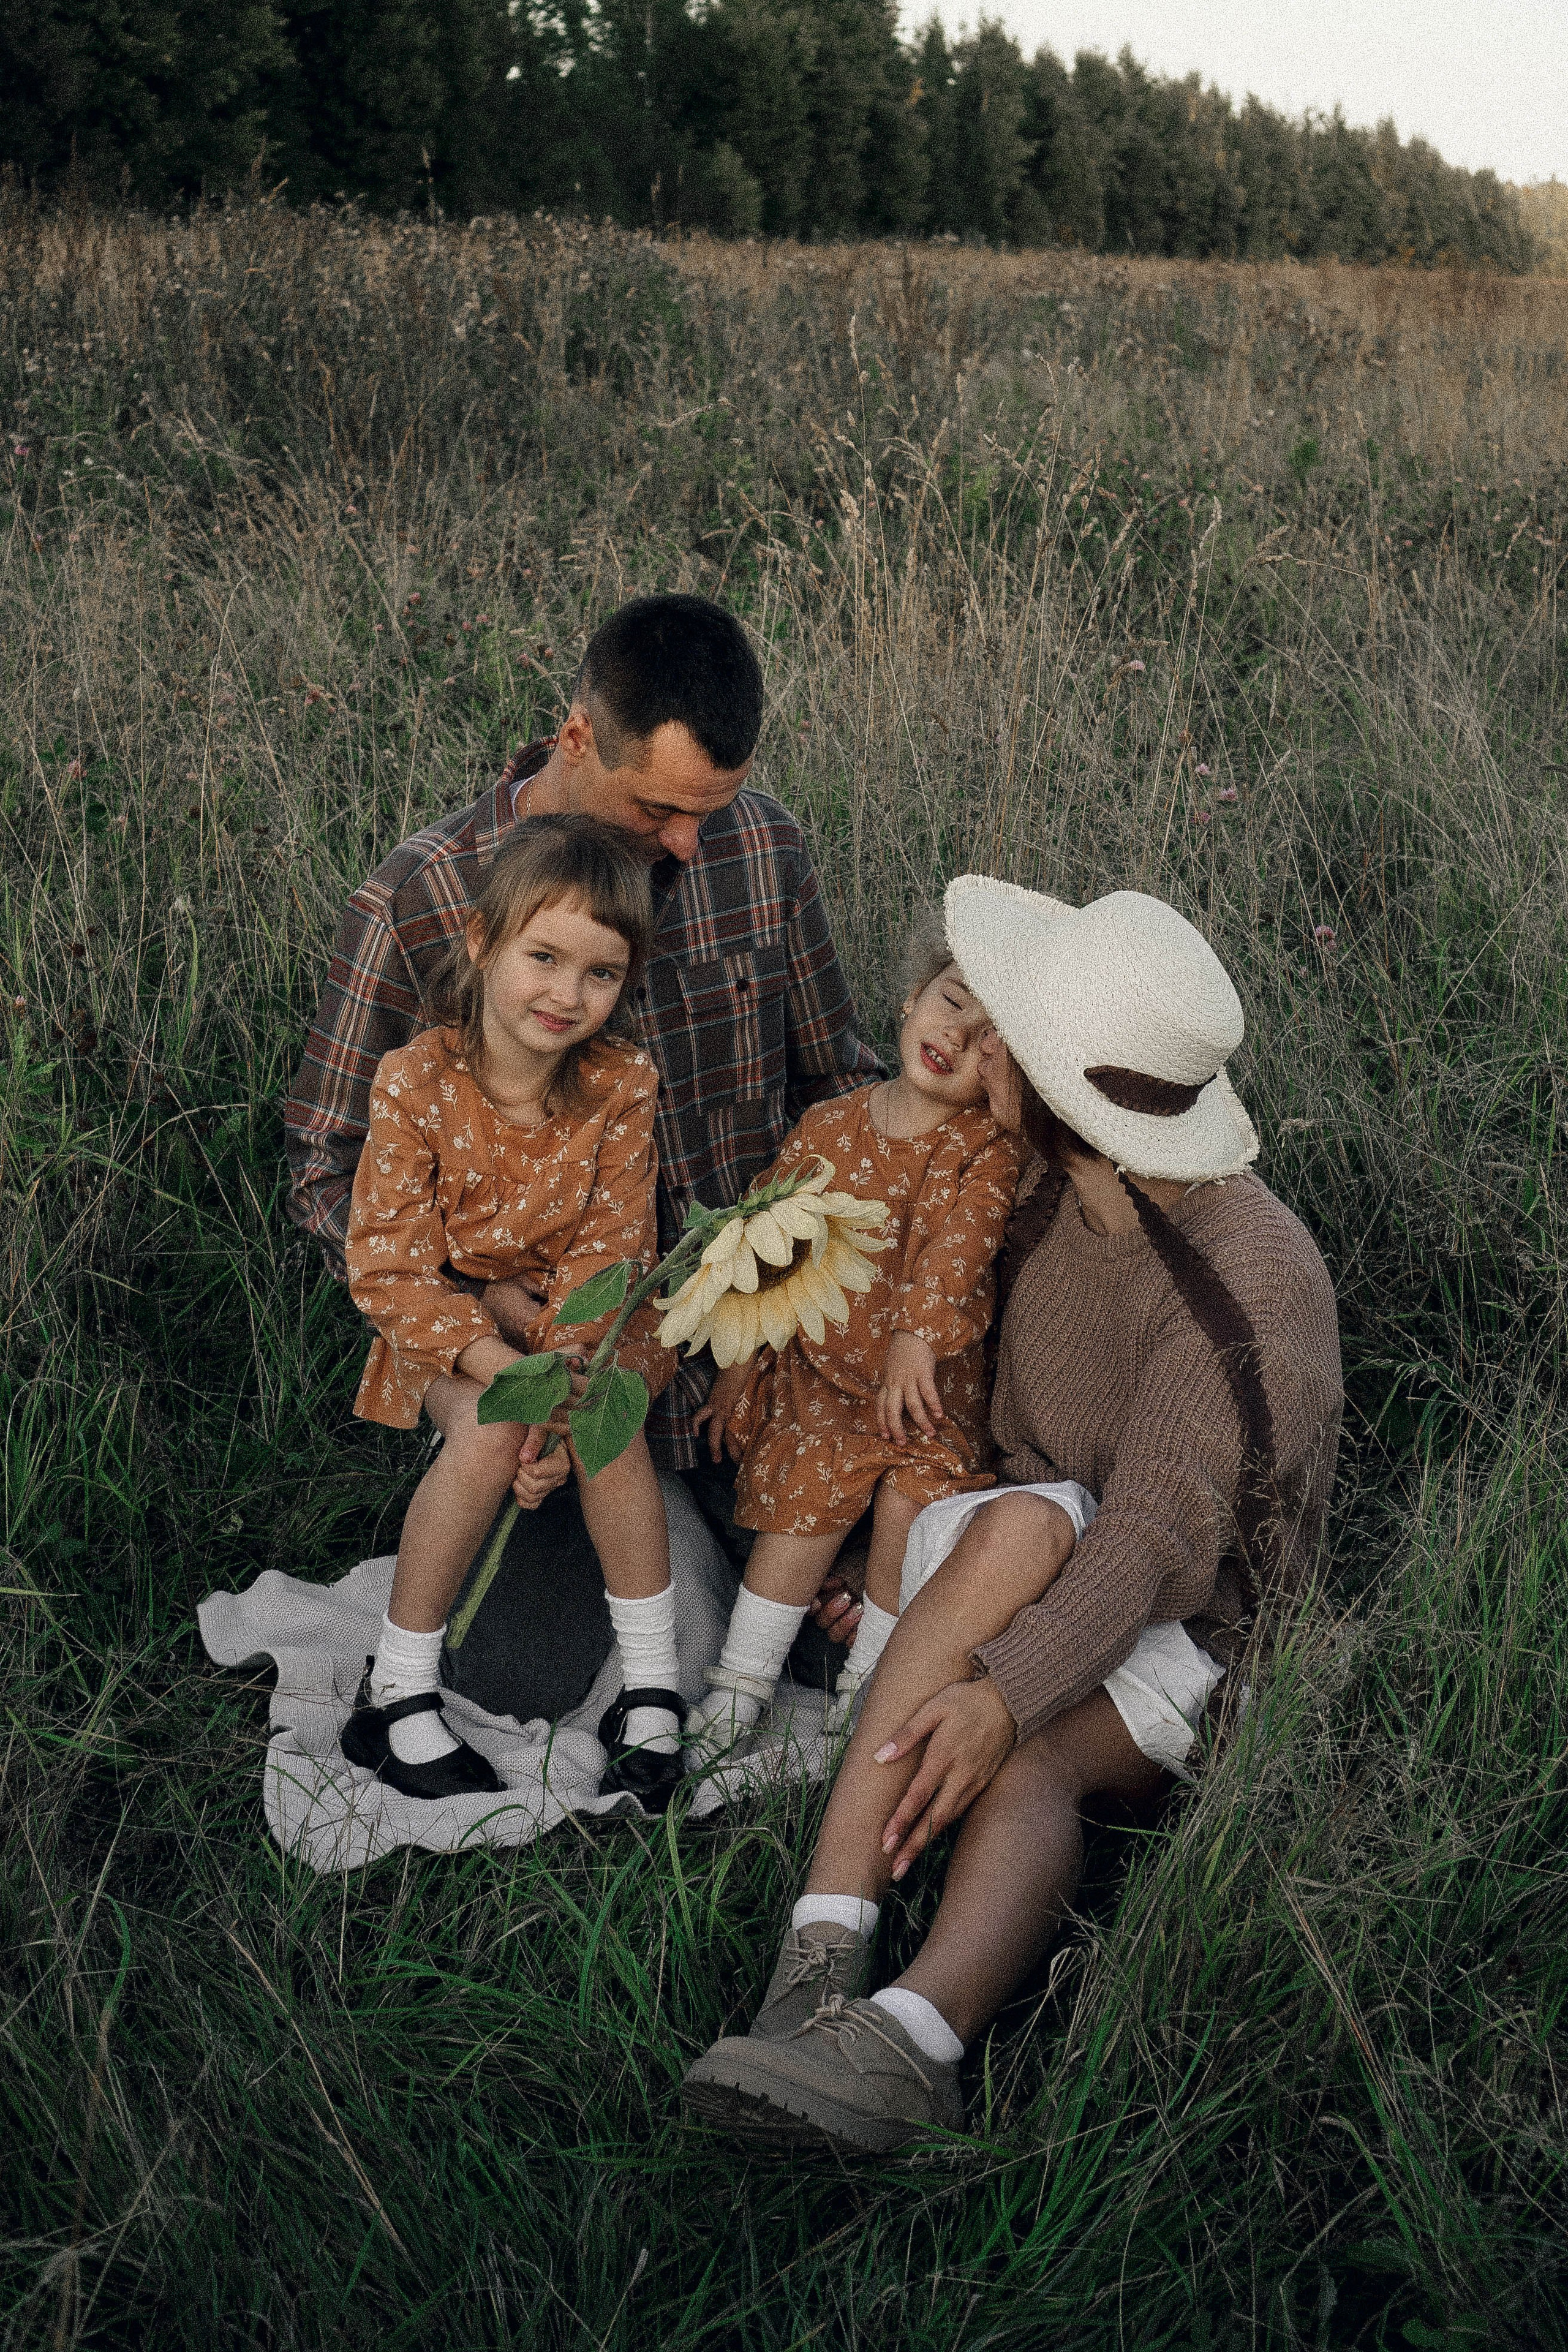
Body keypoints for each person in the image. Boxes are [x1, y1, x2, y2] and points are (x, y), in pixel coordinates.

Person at [682, 880, 1344, 2152]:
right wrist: (900, 1572)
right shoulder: (1036, 1191)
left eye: (1008, 1037)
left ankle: (910, 2044)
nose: (976, 1045)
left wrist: (1002, 1692)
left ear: (1056, 1096)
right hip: (1022, 1533)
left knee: (1032, 1753)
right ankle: (820, 1950)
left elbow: (1153, 1544)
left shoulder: (1243, 1286)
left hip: (1194, 1622)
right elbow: (967, 1406)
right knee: (1021, 1529)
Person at [285, 594, 878, 1720]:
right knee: (519, 1680)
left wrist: (810, 1284)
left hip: (745, 1340)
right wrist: (478, 1317)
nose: (689, 843)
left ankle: (786, 1571)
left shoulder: (765, 847)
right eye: (659, 808)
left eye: (712, 810)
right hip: (536, 1378)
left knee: (867, 1585)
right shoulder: (425, 896)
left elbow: (836, 1085)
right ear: (575, 739)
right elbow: (327, 1169)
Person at [337, 814, 685, 1812]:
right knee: (492, 1436)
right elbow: (389, 1268)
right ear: (484, 942)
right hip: (453, 1329)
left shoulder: (621, 1083)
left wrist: (563, 1392)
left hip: (587, 1330)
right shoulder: (416, 1082)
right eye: (544, 958)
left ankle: (650, 1692)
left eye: (601, 973)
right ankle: (397, 1694)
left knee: (609, 1420)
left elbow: (612, 1250)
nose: (567, 996)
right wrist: (513, 1380)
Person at [682, 916, 1023, 1758]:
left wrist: (915, 1335)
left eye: (990, 1040)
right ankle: (740, 1684)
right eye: (952, 1003)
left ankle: (867, 1694)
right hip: (826, 1384)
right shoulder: (829, 1126)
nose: (958, 1037)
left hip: (925, 1394)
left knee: (913, 1506)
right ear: (911, 998)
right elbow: (768, 1247)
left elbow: (960, 1248)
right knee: (802, 1503)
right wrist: (740, 1366)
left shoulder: (983, 1148)